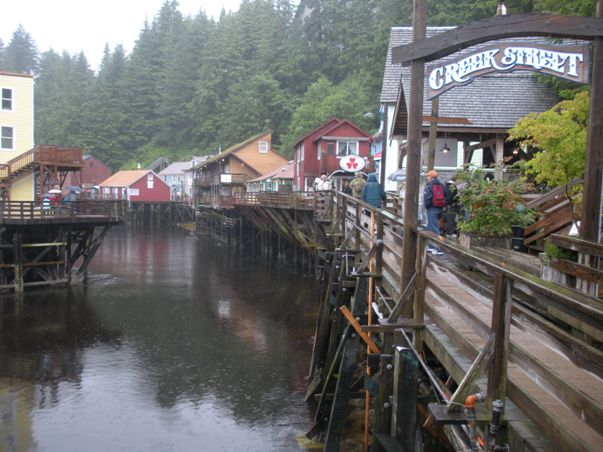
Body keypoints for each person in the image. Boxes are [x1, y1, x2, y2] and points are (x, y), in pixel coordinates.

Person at [423, 170, 449, 254]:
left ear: (431, 177)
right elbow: (446, 196)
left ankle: (438, 248)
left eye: (428, 176)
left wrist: (427, 207)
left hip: (432, 209)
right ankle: (431, 246)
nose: (427, 178)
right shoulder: (442, 185)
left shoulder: (429, 186)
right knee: (431, 227)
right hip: (440, 208)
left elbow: (427, 199)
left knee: (434, 228)